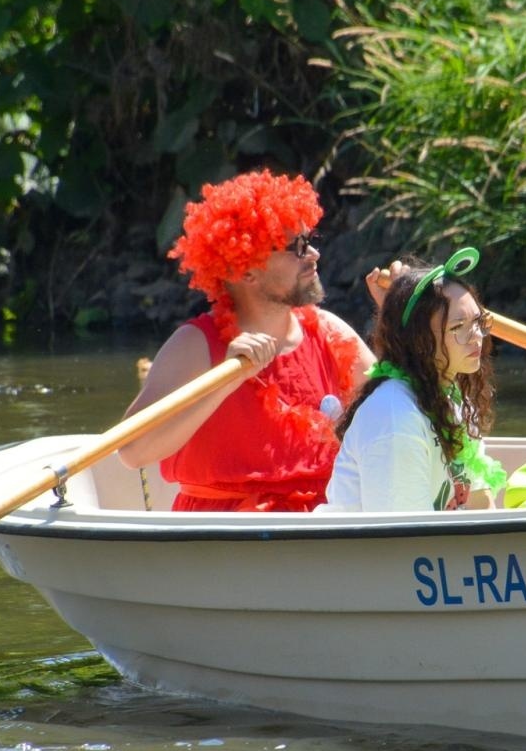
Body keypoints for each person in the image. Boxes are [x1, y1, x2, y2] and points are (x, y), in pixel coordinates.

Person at [118, 169, 376, 511]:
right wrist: (227, 381)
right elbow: (132, 450)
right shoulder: (195, 345)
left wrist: (400, 318)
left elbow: (396, 409)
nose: (313, 254)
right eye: (297, 246)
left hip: (324, 525)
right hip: (227, 539)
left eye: (311, 240)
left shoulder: (331, 333)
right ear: (246, 270)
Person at [319, 248, 506, 512]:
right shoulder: (395, 415)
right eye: (457, 327)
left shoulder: (451, 395)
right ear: (418, 340)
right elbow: (402, 537)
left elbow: (481, 504)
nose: (477, 337)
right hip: (373, 552)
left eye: (477, 322)